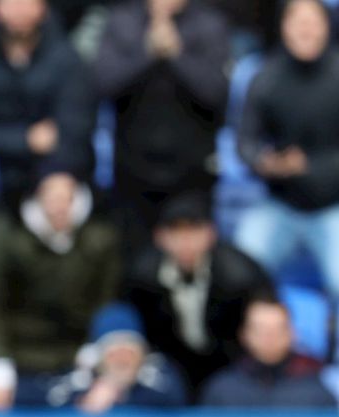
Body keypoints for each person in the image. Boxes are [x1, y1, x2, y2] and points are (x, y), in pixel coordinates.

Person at [0, 169, 121, 409]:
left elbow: (107, 302)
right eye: (52, 198)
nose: (59, 207)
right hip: (20, 355)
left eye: (67, 198)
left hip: (77, 357)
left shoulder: (100, 239)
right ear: (38, 199)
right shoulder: (8, 236)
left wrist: (97, 347)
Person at [94, 0, 229, 245]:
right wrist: (147, 53)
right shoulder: (121, 21)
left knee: (189, 254)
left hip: (192, 171)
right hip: (132, 168)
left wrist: (177, 55)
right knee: (132, 254)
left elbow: (216, 93)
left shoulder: (209, 23)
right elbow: (103, 85)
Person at [234, 0, 339, 298]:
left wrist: (307, 167)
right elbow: (245, 142)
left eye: (312, 22)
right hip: (279, 204)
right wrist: (264, 162)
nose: (306, 30)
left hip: (333, 204)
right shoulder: (265, 77)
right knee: (239, 273)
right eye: (298, 22)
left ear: (327, 27)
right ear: (284, 27)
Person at [126, 192, 274, 395]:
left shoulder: (241, 275)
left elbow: (262, 321)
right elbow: (137, 327)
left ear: (211, 234)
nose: (185, 241)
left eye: (194, 231)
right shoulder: (142, 275)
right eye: (176, 232)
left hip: (232, 360)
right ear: (160, 237)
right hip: (171, 362)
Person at [0, 0, 95, 206]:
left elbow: (76, 127)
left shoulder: (66, 57)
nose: (19, 8)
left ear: (43, 7)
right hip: (3, 175)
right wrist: (25, 140)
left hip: (59, 170)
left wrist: (57, 174)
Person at [48, 303, 188, 411]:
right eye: (114, 353)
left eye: (130, 352)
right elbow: (46, 396)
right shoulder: (81, 378)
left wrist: (120, 395)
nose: (123, 360)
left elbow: (177, 397)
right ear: (98, 357)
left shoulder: (156, 372)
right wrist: (85, 398)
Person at [200, 297, 336, 408]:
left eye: (277, 329)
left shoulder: (316, 391)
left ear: (293, 334)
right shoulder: (223, 389)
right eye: (261, 330)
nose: (270, 338)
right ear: (244, 335)